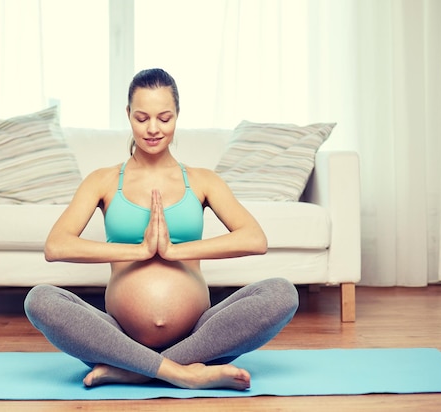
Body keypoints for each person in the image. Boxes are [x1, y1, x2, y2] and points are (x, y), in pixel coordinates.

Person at [24, 68, 299, 390]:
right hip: (117, 336)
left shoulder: (201, 180)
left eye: (164, 118)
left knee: (281, 292)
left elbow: (255, 239)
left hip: (200, 335)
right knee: (39, 299)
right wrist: (139, 251)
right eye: (142, 118)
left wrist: (174, 251)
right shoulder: (103, 180)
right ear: (128, 115)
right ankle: (181, 372)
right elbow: (56, 246)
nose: (153, 129)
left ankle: (135, 370)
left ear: (177, 116)